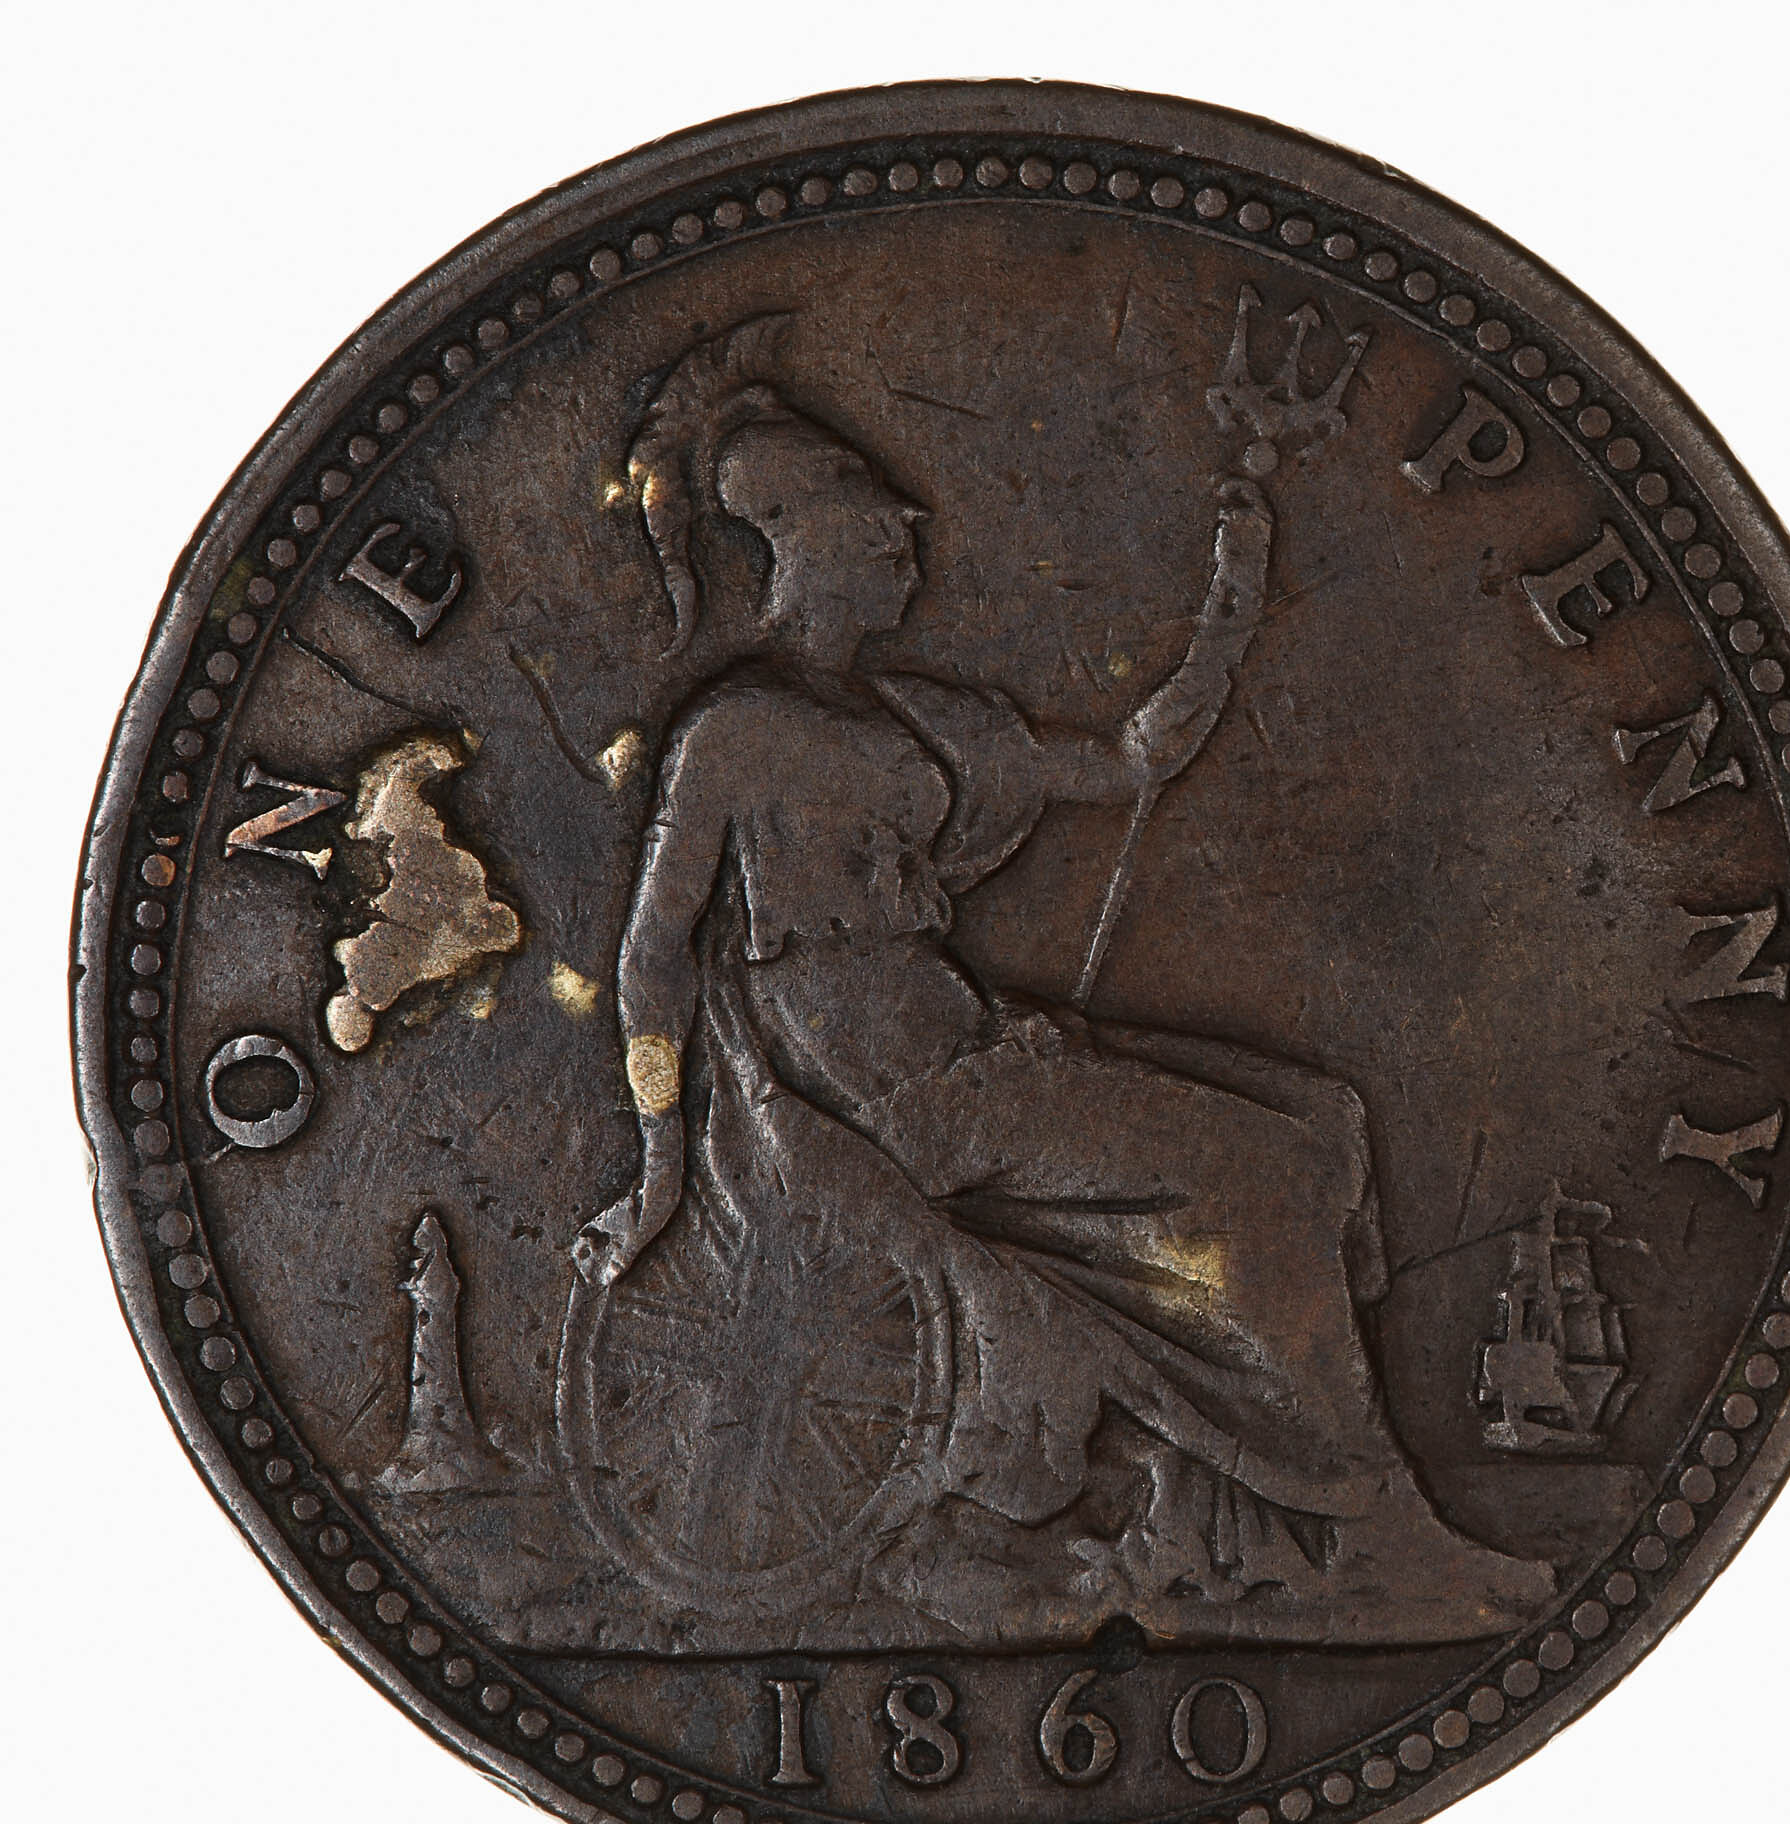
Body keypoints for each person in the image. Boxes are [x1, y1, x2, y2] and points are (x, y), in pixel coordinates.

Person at [567, 314, 1551, 1639]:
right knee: (1259, 1178)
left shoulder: (926, 719)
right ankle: (1371, 1528)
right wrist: (658, 1167)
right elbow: (650, 959)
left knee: (1319, 1122)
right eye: (879, 523)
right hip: (869, 1108)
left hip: (967, 1057)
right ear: (799, 538)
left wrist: (1234, 593)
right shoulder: (733, 731)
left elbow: (1135, 758)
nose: (908, 541)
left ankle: (1242, 1523)